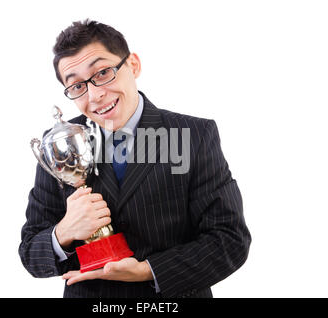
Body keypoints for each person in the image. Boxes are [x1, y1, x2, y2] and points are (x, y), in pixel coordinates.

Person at [19, 19, 251, 298]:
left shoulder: (195, 135)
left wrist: (148, 270)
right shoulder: (58, 143)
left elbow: (230, 240)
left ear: (133, 65)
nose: (95, 94)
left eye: (103, 72)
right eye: (77, 86)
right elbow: (31, 253)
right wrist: (63, 233)